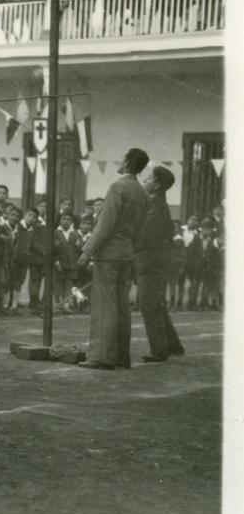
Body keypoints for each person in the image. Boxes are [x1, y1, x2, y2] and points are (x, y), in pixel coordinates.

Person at [78, 148, 149, 370]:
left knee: (104, 306)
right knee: (121, 306)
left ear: (127, 162)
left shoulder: (118, 187)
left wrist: (87, 251)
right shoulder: (141, 191)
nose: (119, 160)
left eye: (122, 157)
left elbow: (105, 224)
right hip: (127, 254)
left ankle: (101, 356)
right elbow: (140, 228)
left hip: (109, 255)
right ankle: (120, 355)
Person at [134, 165, 184, 362]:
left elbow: (145, 236)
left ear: (157, 185)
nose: (145, 181)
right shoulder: (154, 204)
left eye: (148, 178)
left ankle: (159, 350)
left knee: (149, 304)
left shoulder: (157, 207)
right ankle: (173, 345)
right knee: (157, 304)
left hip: (151, 261)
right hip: (152, 260)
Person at [10, 207, 37, 314]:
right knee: (10, 281)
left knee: (19, 281)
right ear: (24, 215)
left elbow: (32, 245)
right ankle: (5, 304)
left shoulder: (32, 230)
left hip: (24, 259)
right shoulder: (17, 226)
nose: (31, 218)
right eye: (29, 215)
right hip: (14, 258)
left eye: (34, 217)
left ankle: (13, 305)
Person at [54, 211, 82, 310]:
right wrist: (56, 262)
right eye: (64, 219)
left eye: (68, 219)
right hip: (59, 263)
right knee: (58, 284)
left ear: (72, 222)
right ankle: (57, 304)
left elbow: (79, 250)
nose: (66, 221)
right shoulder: (55, 233)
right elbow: (53, 251)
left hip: (71, 263)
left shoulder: (75, 234)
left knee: (69, 284)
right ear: (60, 221)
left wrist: (79, 245)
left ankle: (66, 305)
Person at [181, 213, 202, 310]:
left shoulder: (198, 233)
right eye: (191, 219)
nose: (192, 221)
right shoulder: (181, 230)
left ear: (197, 223)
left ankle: (191, 302)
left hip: (193, 262)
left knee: (193, 283)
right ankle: (178, 303)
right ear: (188, 220)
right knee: (180, 282)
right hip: (181, 261)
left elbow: (198, 250)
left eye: (195, 220)